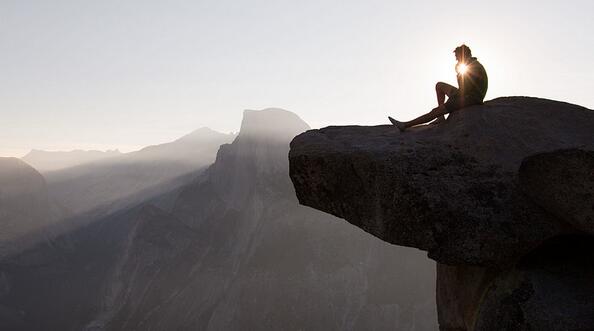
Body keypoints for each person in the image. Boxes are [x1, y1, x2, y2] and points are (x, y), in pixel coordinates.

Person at [389, 44, 488, 132]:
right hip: (466, 93)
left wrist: (451, 100)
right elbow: (464, 87)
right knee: (439, 85)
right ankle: (441, 118)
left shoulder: (473, 67)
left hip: (471, 98)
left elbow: (465, 89)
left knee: (435, 111)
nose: (457, 60)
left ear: (463, 55)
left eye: (457, 57)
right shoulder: (471, 64)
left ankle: (405, 125)